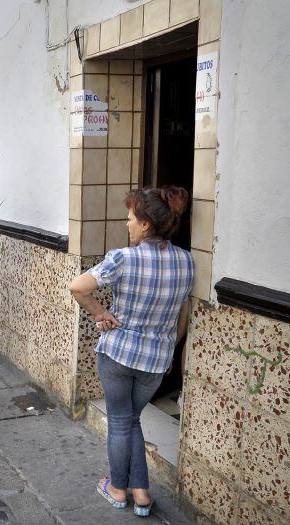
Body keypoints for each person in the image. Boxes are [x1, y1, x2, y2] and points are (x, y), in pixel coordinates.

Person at [68, 187, 194, 517]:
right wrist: (167, 350)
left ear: (146, 225)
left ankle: (118, 488)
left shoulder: (124, 258)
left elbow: (77, 287)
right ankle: (140, 492)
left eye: (131, 219)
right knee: (131, 420)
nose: (128, 225)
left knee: (121, 423)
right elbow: (183, 316)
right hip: (156, 362)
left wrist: (99, 313)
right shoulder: (186, 260)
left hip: (118, 354)